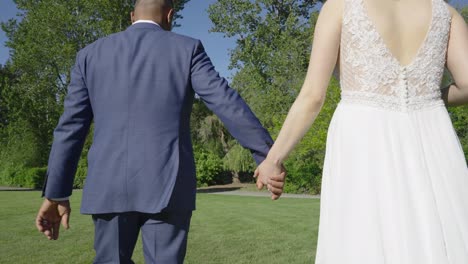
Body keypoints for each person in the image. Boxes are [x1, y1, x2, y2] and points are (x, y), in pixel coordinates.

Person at [35, 0, 285, 263]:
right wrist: (268, 155)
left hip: (108, 188)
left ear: (132, 16)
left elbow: (70, 128)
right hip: (168, 185)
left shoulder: (89, 55)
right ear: (170, 15)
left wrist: (57, 193)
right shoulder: (188, 49)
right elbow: (226, 102)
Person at [255, 0, 468, 262]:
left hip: (364, 137)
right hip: (432, 131)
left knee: (364, 238)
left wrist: (274, 158)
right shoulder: (446, 13)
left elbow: (313, 97)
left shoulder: (340, 6)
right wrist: (427, 96)